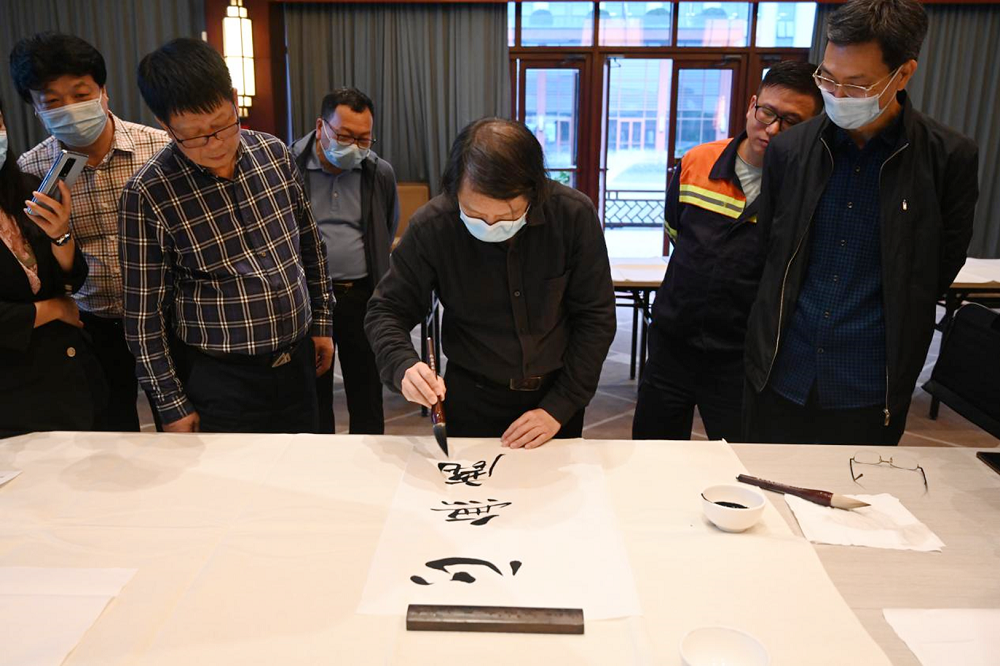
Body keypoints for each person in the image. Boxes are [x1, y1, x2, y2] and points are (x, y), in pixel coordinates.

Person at [743, 0, 980, 445]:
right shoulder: (791, 150)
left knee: (860, 488)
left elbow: (939, 266)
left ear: (903, 74)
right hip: (781, 368)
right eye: (828, 78)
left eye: (856, 84)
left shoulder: (947, 157)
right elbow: (769, 254)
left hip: (870, 382)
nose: (837, 94)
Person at [119, 38, 335, 434]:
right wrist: (170, 403)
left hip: (297, 361)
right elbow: (143, 315)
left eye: (222, 125)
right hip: (222, 379)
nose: (215, 144)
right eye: (195, 135)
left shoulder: (274, 154)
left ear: (234, 101)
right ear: (166, 126)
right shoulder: (148, 193)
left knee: (306, 465)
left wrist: (321, 321)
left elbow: (310, 244)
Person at [365, 118, 616, 449]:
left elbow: (596, 318)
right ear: (455, 188)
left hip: (554, 397)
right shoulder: (434, 225)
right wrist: (403, 365)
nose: (490, 224)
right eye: (475, 214)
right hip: (473, 397)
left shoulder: (572, 215)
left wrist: (560, 406)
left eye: (506, 216)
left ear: (534, 190)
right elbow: (386, 310)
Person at [632, 62, 823, 442]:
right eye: (767, 112)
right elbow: (675, 231)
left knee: (741, 457)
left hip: (742, 355)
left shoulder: (810, 185)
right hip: (672, 342)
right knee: (653, 452)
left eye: (791, 121)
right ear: (752, 105)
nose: (773, 129)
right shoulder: (697, 161)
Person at [10, 32, 170, 431]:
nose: (69, 108)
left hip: (166, 318)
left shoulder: (160, 150)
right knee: (109, 436)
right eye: (52, 102)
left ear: (103, 92)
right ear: (35, 109)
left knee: (184, 430)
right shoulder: (32, 173)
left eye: (81, 94)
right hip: (92, 325)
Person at [290, 87, 399, 434]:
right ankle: (321, 460)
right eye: (345, 136)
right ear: (320, 126)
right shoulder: (288, 166)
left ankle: (369, 459)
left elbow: (387, 226)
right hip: (306, 298)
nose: (354, 146)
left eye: (364, 139)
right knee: (312, 391)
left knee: (367, 390)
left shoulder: (378, 172)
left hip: (361, 294)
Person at [0, 95, 106, 435]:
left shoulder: (27, 190)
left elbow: (71, 280)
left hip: (70, 373)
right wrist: (54, 309)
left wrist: (61, 235)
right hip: (12, 393)